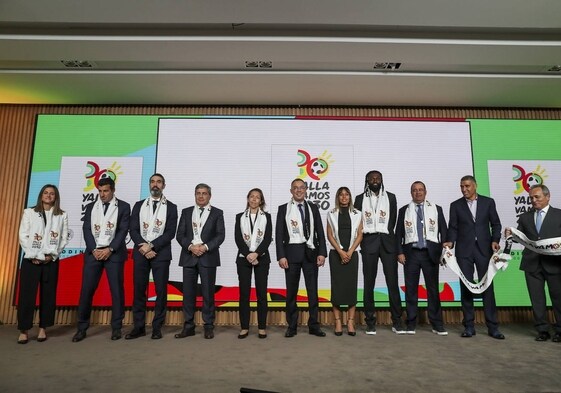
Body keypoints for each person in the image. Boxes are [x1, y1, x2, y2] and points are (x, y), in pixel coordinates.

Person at [444, 175, 504, 339]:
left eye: (467, 186)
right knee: (466, 287)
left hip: (484, 250)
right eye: (462, 186)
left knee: (487, 287)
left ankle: (493, 327)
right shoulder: (455, 205)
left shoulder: (488, 202)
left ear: (475, 186)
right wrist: (450, 243)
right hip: (464, 251)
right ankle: (469, 326)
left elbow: (496, 224)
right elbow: (453, 227)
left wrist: (495, 240)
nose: (464, 189)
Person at [72, 177, 131, 342]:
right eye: (100, 191)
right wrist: (94, 249)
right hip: (94, 254)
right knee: (86, 291)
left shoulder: (124, 206)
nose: (102, 194)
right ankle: (82, 328)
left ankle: (117, 328)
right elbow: (86, 228)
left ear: (113, 190)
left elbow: (123, 230)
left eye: (105, 191)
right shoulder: (91, 206)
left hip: (114, 254)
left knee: (117, 291)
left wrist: (110, 249)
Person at [125, 173, 178, 340]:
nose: (155, 185)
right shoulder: (139, 205)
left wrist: (152, 245)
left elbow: (170, 232)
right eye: (153, 182)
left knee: (161, 291)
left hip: (160, 253)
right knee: (139, 290)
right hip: (141, 252)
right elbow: (132, 229)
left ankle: (157, 327)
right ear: (149, 185)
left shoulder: (172, 207)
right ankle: (139, 327)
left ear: (164, 185)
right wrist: (144, 246)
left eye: (159, 182)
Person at [506, 185, 561, 342]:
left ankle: (560, 330)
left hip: (555, 264)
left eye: (537, 197)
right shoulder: (524, 217)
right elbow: (519, 237)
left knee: (558, 298)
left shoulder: (559, 215)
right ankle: (542, 330)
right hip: (531, 263)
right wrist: (510, 235)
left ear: (547, 197)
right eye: (531, 198)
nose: (533, 200)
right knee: (537, 299)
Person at [17, 184, 69, 344]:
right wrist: (34, 255)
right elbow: (23, 235)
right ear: (41, 195)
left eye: (52, 194)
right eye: (45, 193)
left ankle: (43, 329)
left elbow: (64, 238)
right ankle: (24, 330)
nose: (48, 195)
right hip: (31, 261)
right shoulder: (29, 212)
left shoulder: (62, 215)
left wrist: (52, 255)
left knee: (48, 295)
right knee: (27, 296)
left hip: (50, 261)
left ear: (56, 197)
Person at [276, 178, 327, 338]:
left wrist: (322, 252)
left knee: (313, 292)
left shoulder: (313, 207)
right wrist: (281, 256)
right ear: (291, 191)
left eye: (301, 188)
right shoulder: (283, 209)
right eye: (295, 188)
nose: (299, 190)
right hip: (291, 255)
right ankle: (292, 325)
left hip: (311, 254)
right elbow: (278, 234)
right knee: (291, 293)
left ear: (306, 190)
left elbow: (320, 230)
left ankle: (314, 325)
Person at [354, 170, 404, 335]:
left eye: (378, 178)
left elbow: (392, 222)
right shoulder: (360, 199)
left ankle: (397, 321)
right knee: (369, 284)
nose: (375, 180)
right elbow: (358, 223)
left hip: (388, 244)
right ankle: (370, 322)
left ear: (382, 180)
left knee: (392, 283)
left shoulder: (391, 197)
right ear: (367, 180)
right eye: (372, 178)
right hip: (369, 244)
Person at [396, 181, 448, 335]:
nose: (417, 193)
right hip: (411, 254)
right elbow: (398, 234)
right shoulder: (404, 210)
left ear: (426, 192)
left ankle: (437, 323)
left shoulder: (436, 209)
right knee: (410, 290)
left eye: (420, 190)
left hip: (430, 254)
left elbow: (444, 232)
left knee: (433, 290)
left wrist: (444, 252)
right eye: (414, 190)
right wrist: (399, 252)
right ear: (411, 193)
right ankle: (411, 323)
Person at [175, 183, 225, 339]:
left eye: (204, 193)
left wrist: (205, 247)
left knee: (208, 294)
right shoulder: (186, 212)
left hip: (207, 257)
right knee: (188, 294)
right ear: (195, 195)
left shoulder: (217, 213)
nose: (201, 196)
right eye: (198, 193)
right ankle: (188, 326)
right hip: (189, 257)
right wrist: (191, 246)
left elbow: (220, 235)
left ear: (209, 196)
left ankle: (208, 326)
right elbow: (180, 235)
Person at [234, 188, 272, 339]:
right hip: (244, 259)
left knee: (261, 294)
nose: (254, 199)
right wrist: (248, 254)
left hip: (262, 258)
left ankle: (262, 327)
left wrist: (257, 253)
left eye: (257, 197)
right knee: (244, 294)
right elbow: (238, 238)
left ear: (261, 201)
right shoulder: (239, 217)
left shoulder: (267, 217)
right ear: (248, 199)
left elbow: (268, 238)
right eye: (252, 197)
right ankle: (244, 327)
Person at [326, 187, 363, 336]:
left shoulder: (357, 214)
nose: (344, 197)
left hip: (352, 254)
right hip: (336, 255)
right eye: (341, 195)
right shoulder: (331, 213)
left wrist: (349, 251)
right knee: (337, 288)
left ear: (350, 197)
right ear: (337, 197)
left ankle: (351, 321)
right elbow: (329, 235)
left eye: (346, 194)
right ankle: (338, 322)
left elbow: (360, 235)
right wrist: (341, 252)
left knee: (350, 288)